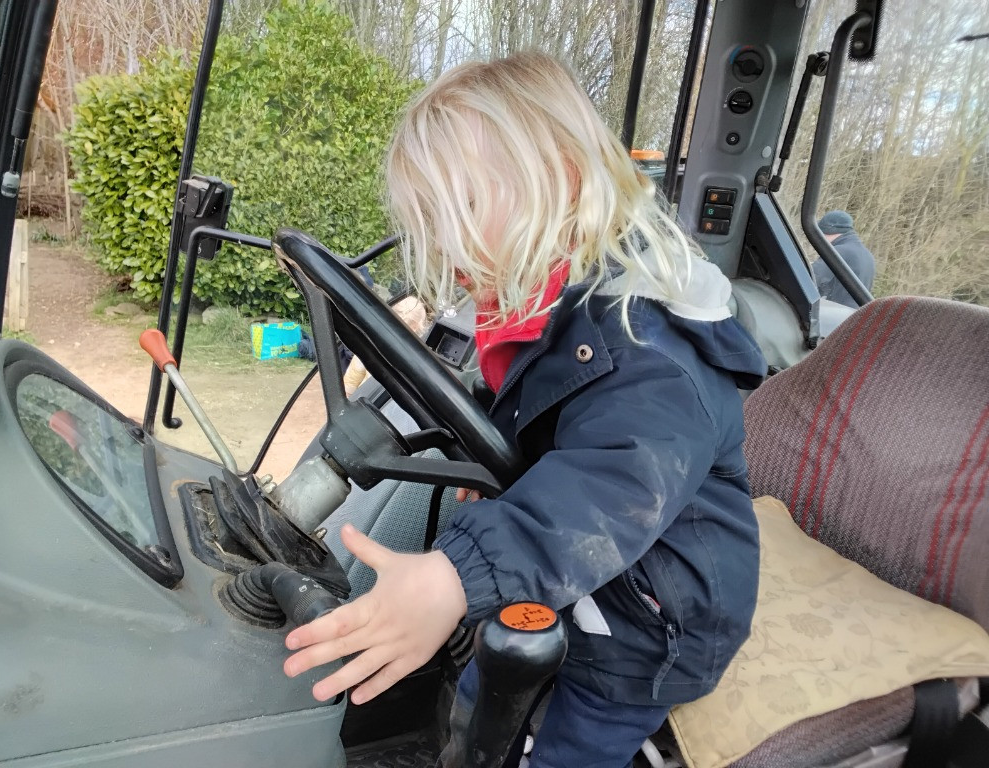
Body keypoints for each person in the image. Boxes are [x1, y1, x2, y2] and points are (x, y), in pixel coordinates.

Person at [283, 52, 766, 768]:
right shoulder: (548, 314)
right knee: (480, 689)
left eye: (465, 212)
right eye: (432, 224)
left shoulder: (656, 353)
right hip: (580, 581)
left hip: (651, 621)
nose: (446, 249)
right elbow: (537, 425)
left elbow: (598, 493)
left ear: (563, 179)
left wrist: (453, 577)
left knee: (570, 746)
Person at [342, 295, 428, 395]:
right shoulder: (418, 360)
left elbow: (348, 387)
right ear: (416, 328)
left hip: (364, 400)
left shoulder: (368, 345)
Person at [812, 210, 876, 308]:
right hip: (854, 315)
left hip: (834, 313)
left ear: (828, 231)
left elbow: (811, 277)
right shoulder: (868, 255)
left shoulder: (837, 251)